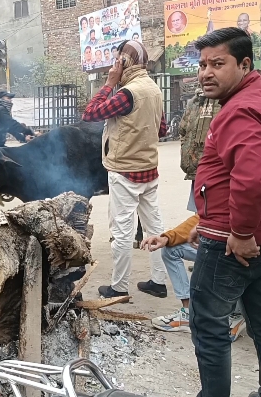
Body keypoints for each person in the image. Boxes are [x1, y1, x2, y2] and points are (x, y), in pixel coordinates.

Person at [191, 27, 261, 397]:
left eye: (218, 63)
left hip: (234, 244)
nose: (206, 73)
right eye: (202, 64)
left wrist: (241, 232)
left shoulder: (240, 110)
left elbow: (251, 180)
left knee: (208, 323)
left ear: (244, 63)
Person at [140, 194, 261, 340]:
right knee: (172, 249)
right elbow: (205, 217)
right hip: (232, 243)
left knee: (226, 253)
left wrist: (221, 235)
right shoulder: (229, 179)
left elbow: (255, 225)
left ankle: (235, 315)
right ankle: (189, 312)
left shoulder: (256, 180)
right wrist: (168, 237)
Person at [81, 40, 169, 299]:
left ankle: (119, 287)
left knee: (121, 232)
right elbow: (161, 129)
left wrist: (109, 83)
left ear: (124, 63)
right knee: (154, 228)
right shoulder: (153, 89)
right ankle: (158, 281)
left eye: (117, 60)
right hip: (149, 170)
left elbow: (90, 114)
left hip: (124, 172)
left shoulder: (127, 94)